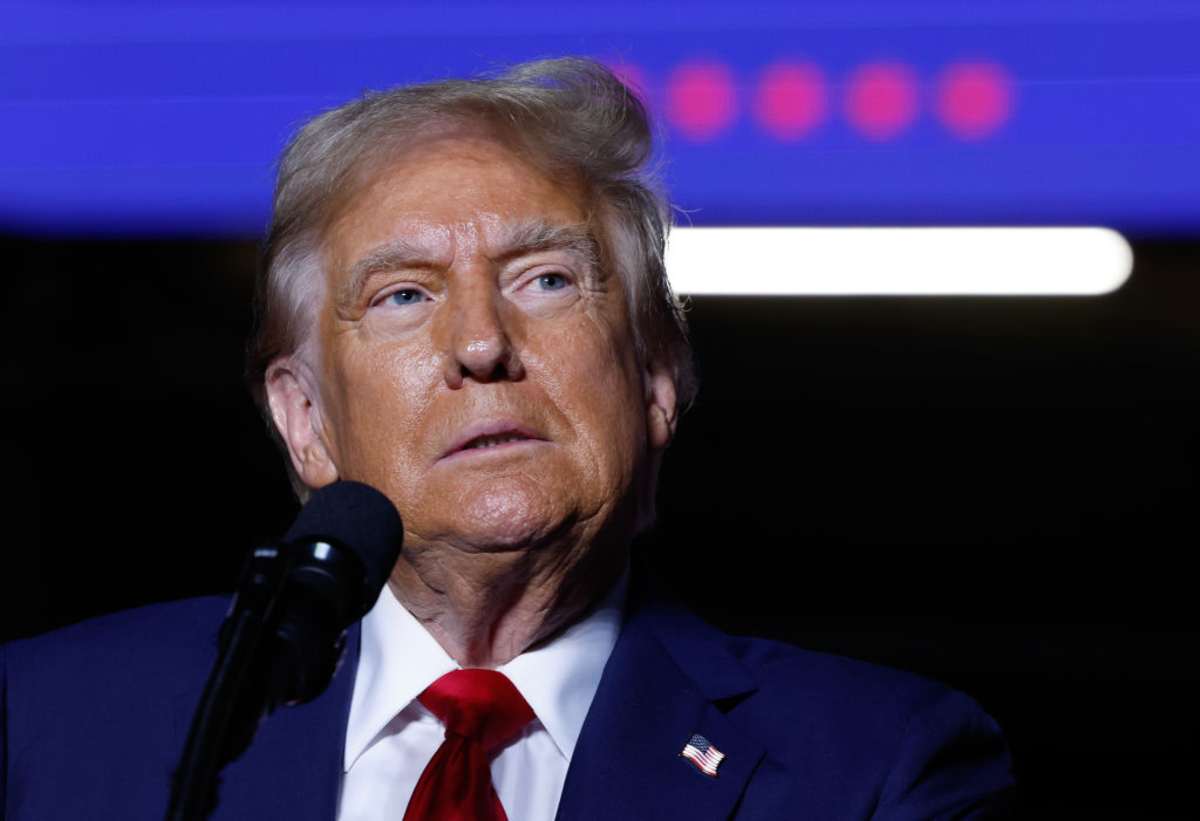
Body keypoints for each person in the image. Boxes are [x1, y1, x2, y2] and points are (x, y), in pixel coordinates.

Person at [0, 58, 1014, 819]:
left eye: (547, 280)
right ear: (307, 422)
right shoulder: (46, 727)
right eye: (404, 294)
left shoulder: (877, 769)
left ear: (658, 380)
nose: (482, 342)